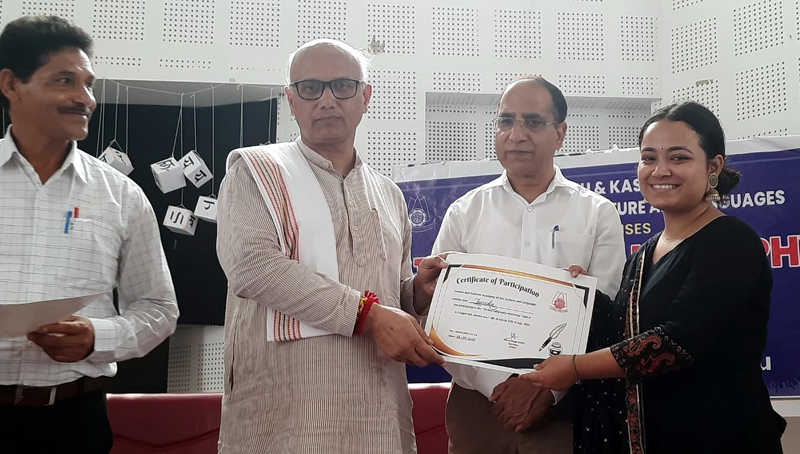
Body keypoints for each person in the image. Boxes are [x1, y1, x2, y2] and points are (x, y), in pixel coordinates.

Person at [216, 39, 447, 454]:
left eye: (342, 86)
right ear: (290, 99)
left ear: (365, 98)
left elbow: (392, 293)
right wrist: (369, 316)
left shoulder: (388, 193)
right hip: (285, 411)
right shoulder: (256, 172)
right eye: (309, 88)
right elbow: (253, 268)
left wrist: (420, 293)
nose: (326, 100)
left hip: (379, 409)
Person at [522, 101, 786, 454]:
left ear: (714, 166)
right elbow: (624, 332)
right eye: (649, 158)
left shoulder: (730, 241)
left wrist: (573, 367)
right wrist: (580, 297)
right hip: (649, 439)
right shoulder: (644, 254)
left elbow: (674, 344)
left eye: (678, 158)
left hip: (719, 437)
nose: (660, 170)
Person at [0, 16, 179, 454]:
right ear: (11, 84)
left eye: (89, 84)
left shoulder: (122, 195)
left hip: (73, 422)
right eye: (65, 80)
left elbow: (159, 309)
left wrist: (99, 338)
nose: (85, 99)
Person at [431, 76, 626, 454]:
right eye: (506, 121)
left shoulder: (597, 213)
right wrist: (495, 387)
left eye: (533, 122)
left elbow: (608, 314)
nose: (516, 134)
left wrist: (547, 390)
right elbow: (442, 315)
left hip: (564, 406)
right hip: (476, 405)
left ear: (560, 133)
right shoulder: (464, 212)